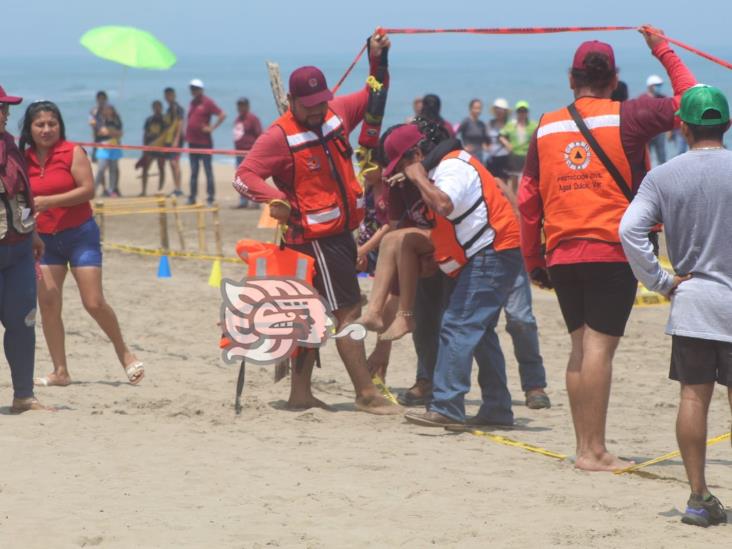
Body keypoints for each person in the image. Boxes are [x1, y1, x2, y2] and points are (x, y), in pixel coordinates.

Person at [518, 27, 697, 471]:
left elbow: (526, 197)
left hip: (560, 250)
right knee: (598, 348)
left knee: (580, 347)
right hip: (609, 248)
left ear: (570, 78)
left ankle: (584, 447)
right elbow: (693, 102)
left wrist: (532, 259)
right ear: (614, 79)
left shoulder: (546, 124)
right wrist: (664, 50)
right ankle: (593, 451)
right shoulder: (630, 115)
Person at [233, 30, 399, 414]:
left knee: (310, 313)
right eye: (306, 105)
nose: (315, 111)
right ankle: (365, 392)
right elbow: (244, 176)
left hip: (340, 234)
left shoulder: (337, 112)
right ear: (291, 101)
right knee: (348, 313)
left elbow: (376, 93)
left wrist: (379, 60)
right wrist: (274, 198)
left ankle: (300, 395)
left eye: (319, 102)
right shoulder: (278, 136)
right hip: (315, 239)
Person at [619, 85, 731, 528]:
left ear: (682, 126)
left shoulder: (663, 176)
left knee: (692, 397)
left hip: (694, 303)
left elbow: (629, 231)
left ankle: (698, 496)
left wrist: (662, 281)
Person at [379, 125, 522, 427]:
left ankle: (447, 405)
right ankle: (497, 409)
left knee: (457, 324)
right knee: (479, 333)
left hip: (492, 250)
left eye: (404, 164)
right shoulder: (444, 168)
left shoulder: (452, 166)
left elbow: (444, 205)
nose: (403, 172)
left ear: (417, 155)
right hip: (490, 252)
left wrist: (417, 177)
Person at [20, 101, 144, 387]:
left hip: (80, 235)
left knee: (93, 301)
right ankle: (60, 371)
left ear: (60, 125)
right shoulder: (22, 158)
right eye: (40, 124)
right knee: (48, 302)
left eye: (52, 123)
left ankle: (124, 352)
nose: (47, 129)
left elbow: (88, 189)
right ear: (29, 128)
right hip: (44, 239)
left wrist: (50, 201)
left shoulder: (72, 151)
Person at [0, 85, 48, 412]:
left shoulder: (10, 145)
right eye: (1, 107)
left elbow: (24, 194)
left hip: (18, 247)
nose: (5, 113)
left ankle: (24, 395)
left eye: (5, 108)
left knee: (23, 322)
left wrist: (33, 233)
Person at [186, 79, 226, 205]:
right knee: (193, 170)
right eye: (192, 88)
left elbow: (222, 114)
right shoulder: (192, 103)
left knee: (207, 170)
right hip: (192, 142)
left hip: (204, 142)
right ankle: (192, 196)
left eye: (196, 88)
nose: (193, 91)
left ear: (201, 90)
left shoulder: (207, 102)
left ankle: (210, 196)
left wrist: (212, 128)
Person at [232, 97, 262, 209]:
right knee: (240, 177)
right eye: (239, 105)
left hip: (250, 152)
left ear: (247, 106)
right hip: (239, 153)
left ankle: (256, 200)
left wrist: (257, 152)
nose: (240, 108)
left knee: (252, 177)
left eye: (243, 105)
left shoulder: (253, 119)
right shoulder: (238, 119)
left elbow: (260, 135)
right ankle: (243, 200)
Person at [502, 100, 537, 190]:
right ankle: (514, 200)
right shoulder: (511, 125)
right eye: (520, 111)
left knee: (526, 179)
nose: (522, 113)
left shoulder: (533, 125)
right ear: (516, 112)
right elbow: (501, 135)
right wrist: (507, 144)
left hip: (527, 155)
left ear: (527, 112)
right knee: (514, 179)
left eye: (524, 111)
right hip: (514, 155)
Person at [93, 104, 123, 197]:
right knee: (101, 169)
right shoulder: (101, 120)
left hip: (114, 146)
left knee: (113, 169)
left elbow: (120, 133)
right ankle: (94, 189)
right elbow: (102, 132)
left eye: (110, 109)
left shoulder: (117, 120)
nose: (108, 111)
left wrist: (111, 133)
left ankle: (112, 190)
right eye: (106, 110)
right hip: (103, 146)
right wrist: (113, 133)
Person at [139, 100, 166, 196]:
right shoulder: (149, 120)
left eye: (159, 107)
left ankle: (160, 189)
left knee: (161, 168)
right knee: (145, 168)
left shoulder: (165, 119)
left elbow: (167, 134)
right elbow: (145, 134)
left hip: (161, 148)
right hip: (150, 147)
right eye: (155, 107)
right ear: (153, 108)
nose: (157, 109)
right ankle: (143, 191)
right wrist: (144, 148)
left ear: (161, 108)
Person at [162, 87, 184, 197]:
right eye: (166, 95)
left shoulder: (177, 108)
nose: (168, 97)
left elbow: (180, 124)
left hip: (176, 139)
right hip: (168, 140)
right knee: (171, 163)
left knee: (175, 163)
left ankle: (178, 188)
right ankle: (176, 187)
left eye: (170, 95)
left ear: (174, 95)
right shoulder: (168, 109)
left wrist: (176, 139)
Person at [485, 98, 511, 180]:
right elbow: (485, 140)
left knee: (504, 182)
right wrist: (486, 147)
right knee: (491, 181)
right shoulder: (489, 124)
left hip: (505, 157)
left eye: (501, 110)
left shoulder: (509, 125)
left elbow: (513, 144)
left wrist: (505, 142)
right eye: (497, 110)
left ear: (505, 111)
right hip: (491, 157)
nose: (499, 112)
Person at [646, 74, 668, 165]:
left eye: (660, 85)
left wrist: (669, 131)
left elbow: (668, 115)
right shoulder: (643, 99)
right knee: (646, 157)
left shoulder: (663, 98)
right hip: (646, 133)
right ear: (650, 86)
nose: (659, 87)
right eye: (657, 85)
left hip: (660, 132)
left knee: (662, 157)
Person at [88, 90, 108, 163]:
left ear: (106, 99)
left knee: (112, 163)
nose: (101, 101)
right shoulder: (94, 111)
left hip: (109, 138)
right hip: (98, 137)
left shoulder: (110, 110)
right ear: (97, 100)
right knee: (96, 160)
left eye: (103, 99)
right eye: (100, 99)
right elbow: (91, 122)